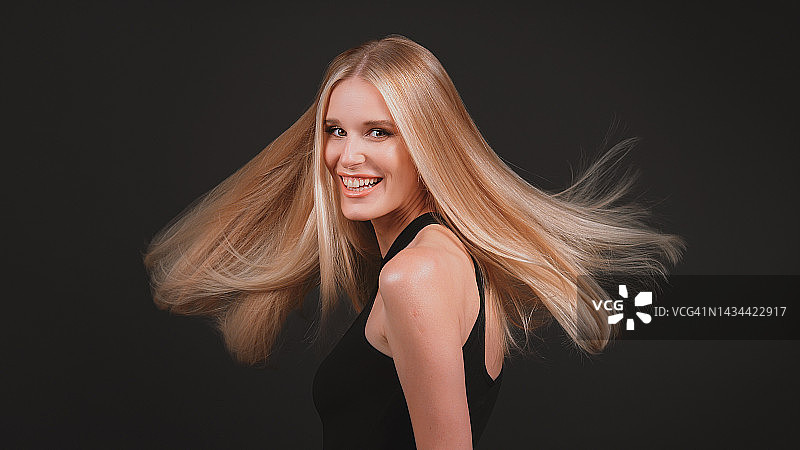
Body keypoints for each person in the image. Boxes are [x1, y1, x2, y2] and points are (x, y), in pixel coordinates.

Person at [143, 34, 684, 449]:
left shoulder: (415, 275)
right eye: (335, 131)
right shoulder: (446, 258)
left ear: (428, 144)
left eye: (379, 132)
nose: (347, 156)